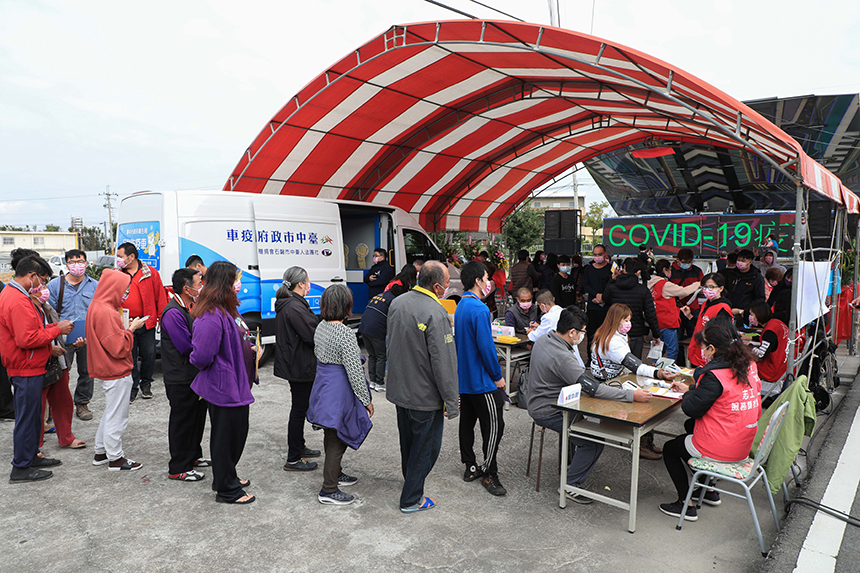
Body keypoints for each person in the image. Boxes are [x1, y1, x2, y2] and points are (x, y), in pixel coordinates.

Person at [528, 306, 653, 503]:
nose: (583, 336)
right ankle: (570, 485)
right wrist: (631, 395)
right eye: (583, 332)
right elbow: (593, 389)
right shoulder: (561, 356)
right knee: (593, 440)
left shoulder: (545, 339)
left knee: (593, 420)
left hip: (548, 400)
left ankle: (572, 467)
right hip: (550, 409)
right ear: (572, 332)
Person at [659, 320, 762, 522]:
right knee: (690, 427)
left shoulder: (714, 375)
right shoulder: (748, 365)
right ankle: (708, 491)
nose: (702, 352)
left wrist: (689, 394)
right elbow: (723, 395)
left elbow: (690, 409)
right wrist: (692, 390)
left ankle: (684, 504)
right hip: (743, 441)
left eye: (703, 347)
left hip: (723, 447)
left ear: (712, 348)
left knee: (670, 448)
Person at [386, 261, 459, 513]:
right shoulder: (436, 313)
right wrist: (452, 401)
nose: (448, 288)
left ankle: (411, 483)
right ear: (437, 286)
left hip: (401, 390)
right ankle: (411, 499)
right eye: (447, 284)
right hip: (424, 395)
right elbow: (444, 363)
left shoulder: (398, 302)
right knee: (426, 449)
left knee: (408, 442)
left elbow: (390, 345)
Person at [0, 252, 73, 483]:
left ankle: (31, 456)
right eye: (40, 280)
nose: (41, 285)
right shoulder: (17, 299)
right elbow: (27, 338)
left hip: (29, 364)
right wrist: (56, 329)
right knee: (27, 417)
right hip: (25, 367)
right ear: (31, 276)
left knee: (32, 417)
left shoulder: (15, 295)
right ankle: (21, 466)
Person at [190, 261, 257, 504]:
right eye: (234, 280)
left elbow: (238, 337)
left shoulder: (228, 309)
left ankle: (225, 476)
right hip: (223, 386)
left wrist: (250, 349)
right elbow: (201, 356)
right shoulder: (210, 315)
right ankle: (227, 489)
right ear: (223, 284)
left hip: (236, 384)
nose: (238, 285)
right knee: (226, 438)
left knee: (235, 435)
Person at [307, 284, 374, 506]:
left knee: (331, 432)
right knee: (338, 437)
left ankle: (336, 474)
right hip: (339, 390)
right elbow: (355, 371)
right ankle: (329, 489)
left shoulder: (321, 326)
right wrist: (366, 400)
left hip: (323, 386)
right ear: (346, 306)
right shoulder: (345, 333)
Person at [590, 303, 676, 459]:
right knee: (643, 399)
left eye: (629, 319)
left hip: (611, 380)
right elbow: (635, 365)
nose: (628, 323)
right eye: (625, 319)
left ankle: (646, 440)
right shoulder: (613, 342)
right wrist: (658, 373)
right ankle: (642, 444)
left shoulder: (608, 334)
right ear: (616, 320)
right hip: (610, 385)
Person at [455, 261, 507, 497]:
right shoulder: (480, 309)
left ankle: (471, 466)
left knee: (467, 424)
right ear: (477, 281)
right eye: (487, 278)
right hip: (482, 382)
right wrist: (497, 376)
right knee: (494, 427)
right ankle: (489, 472)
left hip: (465, 380)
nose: (489, 282)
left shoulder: (462, 305)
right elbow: (486, 348)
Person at [87, 269, 147, 472]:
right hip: (116, 370)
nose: (126, 293)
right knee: (117, 416)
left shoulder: (98, 306)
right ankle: (116, 458)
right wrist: (131, 329)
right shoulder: (106, 312)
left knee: (110, 412)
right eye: (124, 289)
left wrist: (125, 330)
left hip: (107, 369)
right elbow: (118, 348)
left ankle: (101, 452)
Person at [161, 268, 209, 482]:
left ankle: (193, 456)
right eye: (199, 283)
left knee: (197, 418)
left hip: (194, 374)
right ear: (186, 288)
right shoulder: (173, 313)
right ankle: (178, 466)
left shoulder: (190, 306)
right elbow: (186, 346)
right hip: (180, 377)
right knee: (182, 421)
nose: (201, 287)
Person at [274, 266, 321, 472]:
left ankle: (299, 446)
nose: (309, 284)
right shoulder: (294, 307)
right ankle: (293, 458)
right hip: (299, 365)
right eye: (308, 281)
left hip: (298, 363)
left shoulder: (294, 304)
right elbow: (311, 336)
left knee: (299, 409)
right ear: (301, 283)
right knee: (298, 410)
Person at [47, 249, 98, 421]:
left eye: (80, 261)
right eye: (73, 262)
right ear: (67, 264)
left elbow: (99, 311)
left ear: (86, 263)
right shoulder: (55, 285)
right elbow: (49, 313)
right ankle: (56, 407)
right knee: (60, 371)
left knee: (87, 371)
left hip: (87, 336)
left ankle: (82, 403)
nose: (77, 265)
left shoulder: (94, 285)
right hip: (62, 337)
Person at [117, 242, 167, 402]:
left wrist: (162, 318)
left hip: (146, 321)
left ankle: (146, 383)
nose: (118, 260)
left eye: (120, 257)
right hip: (126, 324)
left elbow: (160, 297)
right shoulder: (117, 274)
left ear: (131, 257)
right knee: (130, 356)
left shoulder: (150, 273)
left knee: (149, 354)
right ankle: (133, 387)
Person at [602, 258, 661, 359]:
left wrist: (612, 279)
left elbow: (604, 299)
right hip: (636, 332)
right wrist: (656, 334)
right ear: (638, 272)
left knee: (616, 361)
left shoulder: (612, 287)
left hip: (616, 330)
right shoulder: (643, 290)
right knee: (634, 364)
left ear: (624, 268)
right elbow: (650, 314)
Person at [360, 280, 409, 392]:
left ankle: (372, 381)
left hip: (363, 327)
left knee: (372, 355)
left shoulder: (381, 295)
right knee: (381, 355)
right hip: (376, 329)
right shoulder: (393, 301)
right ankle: (380, 383)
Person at [647, 260, 700, 361]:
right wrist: (698, 284)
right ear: (664, 270)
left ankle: (655, 370)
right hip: (668, 322)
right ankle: (669, 371)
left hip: (656, 322)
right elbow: (684, 291)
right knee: (672, 350)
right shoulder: (665, 285)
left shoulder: (651, 284)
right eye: (670, 269)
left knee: (658, 350)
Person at [685, 273, 734, 369]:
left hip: (709, 354)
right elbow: (701, 324)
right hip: (698, 350)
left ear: (721, 288)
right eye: (705, 287)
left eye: (712, 287)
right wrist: (690, 316)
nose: (707, 290)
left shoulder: (722, 308)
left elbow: (722, 335)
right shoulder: (705, 304)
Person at [748, 300, 789, 397]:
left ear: (759, 314)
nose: (750, 317)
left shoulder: (769, 331)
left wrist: (748, 346)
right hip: (783, 366)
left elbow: (761, 354)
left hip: (772, 370)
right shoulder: (777, 323)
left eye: (752, 314)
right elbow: (771, 342)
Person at [580, 245, 612, 362]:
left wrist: (603, 296)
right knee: (592, 334)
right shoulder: (588, 269)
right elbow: (585, 284)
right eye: (595, 255)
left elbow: (612, 284)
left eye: (600, 254)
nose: (597, 257)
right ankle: (591, 358)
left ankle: (605, 358)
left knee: (606, 334)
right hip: (593, 306)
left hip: (607, 307)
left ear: (605, 255)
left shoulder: (610, 268)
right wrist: (596, 295)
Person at [670, 248, 704, 345]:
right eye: (684, 262)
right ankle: (679, 360)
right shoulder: (670, 272)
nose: (687, 264)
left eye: (689, 262)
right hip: (676, 309)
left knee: (696, 337)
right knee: (676, 340)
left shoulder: (697, 271)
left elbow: (702, 286)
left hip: (693, 309)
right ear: (678, 260)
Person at [725, 249, 765, 324]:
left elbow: (760, 298)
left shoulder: (756, 277)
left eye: (743, 260)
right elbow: (725, 291)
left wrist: (745, 311)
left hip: (745, 314)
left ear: (750, 262)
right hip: (729, 311)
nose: (740, 262)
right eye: (739, 260)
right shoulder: (730, 275)